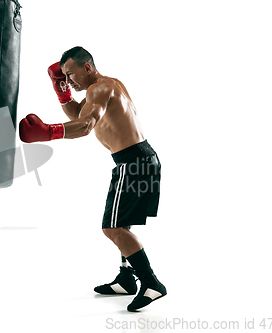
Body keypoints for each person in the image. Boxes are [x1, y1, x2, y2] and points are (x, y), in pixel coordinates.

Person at [18, 46, 166, 311]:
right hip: (138, 160)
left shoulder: (99, 89)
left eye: (71, 75)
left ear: (87, 67)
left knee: (112, 227)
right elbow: (78, 115)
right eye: (64, 77)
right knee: (122, 222)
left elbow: (85, 126)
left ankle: (151, 282)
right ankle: (126, 279)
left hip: (134, 163)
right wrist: (60, 91)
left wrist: (48, 132)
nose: (69, 81)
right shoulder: (104, 87)